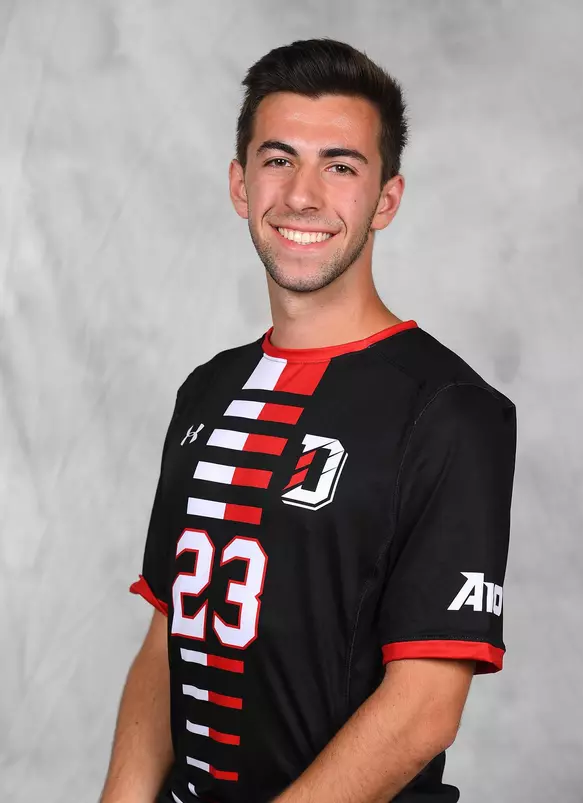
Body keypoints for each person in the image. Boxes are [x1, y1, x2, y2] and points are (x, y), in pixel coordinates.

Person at [99, 37, 517, 803]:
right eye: (279, 158)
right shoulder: (206, 390)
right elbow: (170, 632)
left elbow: (424, 704)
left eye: (340, 165)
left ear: (385, 198)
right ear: (239, 182)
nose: (302, 195)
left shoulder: (451, 411)